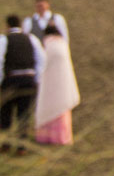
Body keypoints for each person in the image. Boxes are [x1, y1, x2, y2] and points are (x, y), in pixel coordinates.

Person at [1, 14, 46, 155]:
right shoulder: (31, 39)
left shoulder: (4, 39)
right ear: (20, 25)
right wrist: (36, 78)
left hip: (11, 80)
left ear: (7, 25)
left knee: (5, 113)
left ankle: (5, 144)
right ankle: (22, 147)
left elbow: (0, 61)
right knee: (24, 114)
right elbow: (42, 60)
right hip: (28, 81)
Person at [33, 24, 80, 146]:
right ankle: (62, 136)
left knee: (48, 106)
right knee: (61, 109)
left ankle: (46, 136)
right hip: (63, 83)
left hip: (48, 83)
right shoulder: (63, 45)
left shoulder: (48, 45)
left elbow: (42, 63)